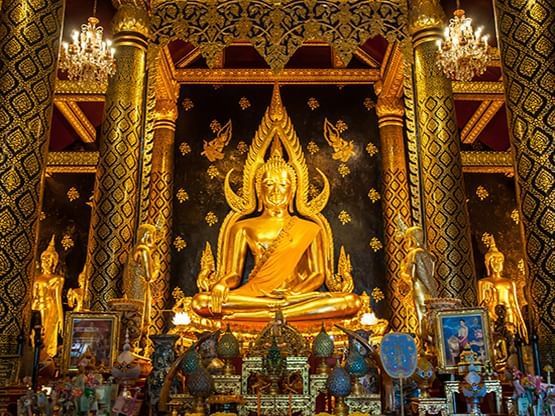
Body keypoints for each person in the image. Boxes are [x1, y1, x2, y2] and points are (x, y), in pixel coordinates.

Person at [191, 141, 360, 321]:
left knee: (350, 302)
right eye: (269, 183)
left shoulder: (310, 228)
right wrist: (221, 284)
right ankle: (276, 312)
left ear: (292, 190)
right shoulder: (242, 227)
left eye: (282, 184)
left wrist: (293, 294)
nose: (276, 190)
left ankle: (267, 313)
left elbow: (317, 275)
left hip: (296, 298)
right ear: (259, 189)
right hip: (255, 296)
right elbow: (234, 275)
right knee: (201, 302)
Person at [478, 236, 528, 341]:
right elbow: (481, 306)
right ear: (488, 264)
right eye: (494, 261)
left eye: (500, 261)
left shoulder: (509, 282)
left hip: (509, 313)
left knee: (512, 340)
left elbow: (514, 303)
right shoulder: (484, 282)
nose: (497, 264)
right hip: (493, 314)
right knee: (497, 340)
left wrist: (521, 321)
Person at [399, 224, 437, 336]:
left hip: (420, 285)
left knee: (423, 312)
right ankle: (426, 340)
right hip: (423, 285)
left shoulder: (416, 253)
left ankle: (426, 338)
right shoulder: (422, 253)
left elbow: (416, 274)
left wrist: (403, 270)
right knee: (425, 312)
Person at [31, 236, 64, 357]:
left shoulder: (57, 279)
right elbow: (32, 296)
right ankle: (33, 353)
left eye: (49, 259)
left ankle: (45, 355)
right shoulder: (35, 277)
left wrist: (61, 319)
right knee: (34, 331)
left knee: (46, 332)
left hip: (50, 307)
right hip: (36, 305)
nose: (46, 260)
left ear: (54, 262)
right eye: (44, 257)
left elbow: (58, 298)